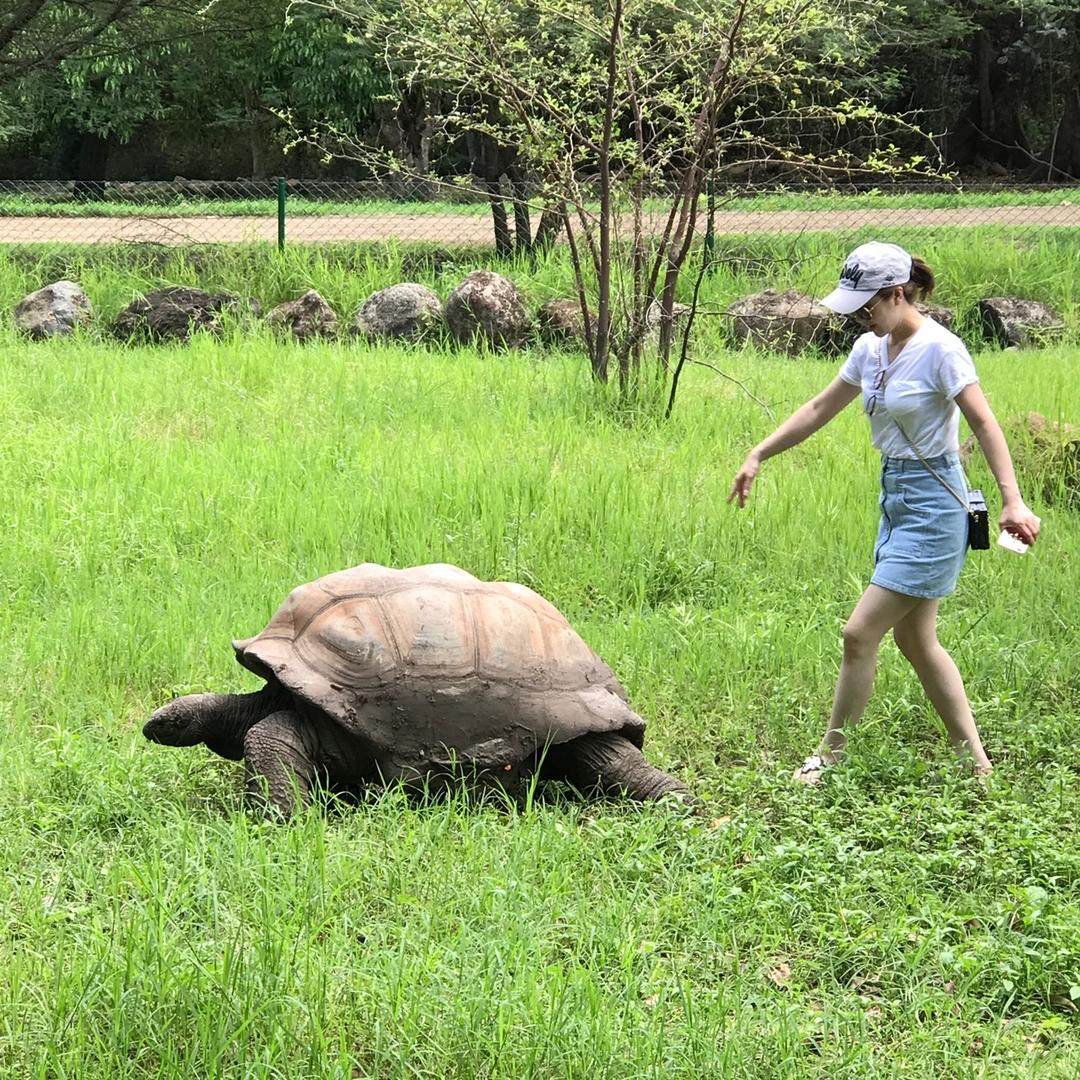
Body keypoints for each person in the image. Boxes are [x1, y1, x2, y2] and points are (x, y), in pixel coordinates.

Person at [729, 241, 1041, 784]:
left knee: (859, 633)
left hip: (935, 503)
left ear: (899, 294)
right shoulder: (869, 349)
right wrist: (759, 454)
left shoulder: (942, 350)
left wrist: (1012, 498)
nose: (859, 316)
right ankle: (977, 764)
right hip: (894, 499)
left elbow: (985, 424)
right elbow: (820, 408)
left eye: (867, 306)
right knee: (917, 641)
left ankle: (829, 758)